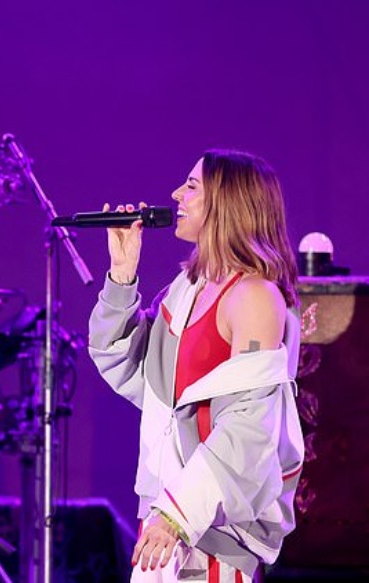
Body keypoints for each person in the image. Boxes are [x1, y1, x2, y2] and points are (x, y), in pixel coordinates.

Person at [88, 149, 304, 582]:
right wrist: (122, 274)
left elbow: (249, 425)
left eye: (191, 186)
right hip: (166, 521)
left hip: (209, 534)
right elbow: (127, 365)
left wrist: (177, 514)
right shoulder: (185, 290)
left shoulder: (254, 297)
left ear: (227, 201)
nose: (175, 195)